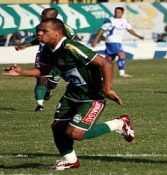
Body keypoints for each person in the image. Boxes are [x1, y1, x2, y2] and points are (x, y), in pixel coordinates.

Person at [3, 18, 135, 171]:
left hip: (92, 96)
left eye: (44, 31)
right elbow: (45, 71)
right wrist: (21, 72)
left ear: (57, 33)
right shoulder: (47, 49)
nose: (39, 34)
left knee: (75, 133)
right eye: (38, 31)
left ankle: (119, 124)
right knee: (57, 127)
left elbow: (106, 63)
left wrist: (106, 89)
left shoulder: (71, 47)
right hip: (72, 93)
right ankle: (70, 160)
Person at [15, 8, 77, 111]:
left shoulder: (62, 26)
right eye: (42, 15)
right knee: (41, 77)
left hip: (58, 56)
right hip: (43, 55)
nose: (42, 17)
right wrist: (26, 45)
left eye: (45, 16)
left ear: (54, 17)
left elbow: (74, 38)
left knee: (52, 83)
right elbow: (39, 39)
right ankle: (40, 105)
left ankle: (48, 90)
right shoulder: (39, 27)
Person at [91, 7, 144, 78]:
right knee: (121, 55)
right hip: (112, 41)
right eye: (116, 12)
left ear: (122, 13)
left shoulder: (125, 21)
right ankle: (122, 73)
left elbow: (130, 30)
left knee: (109, 60)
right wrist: (96, 40)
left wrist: (138, 36)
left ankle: (100, 74)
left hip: (116, 42)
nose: (117, 13)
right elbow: (101, 30)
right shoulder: (110, 20)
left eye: (118, 12)